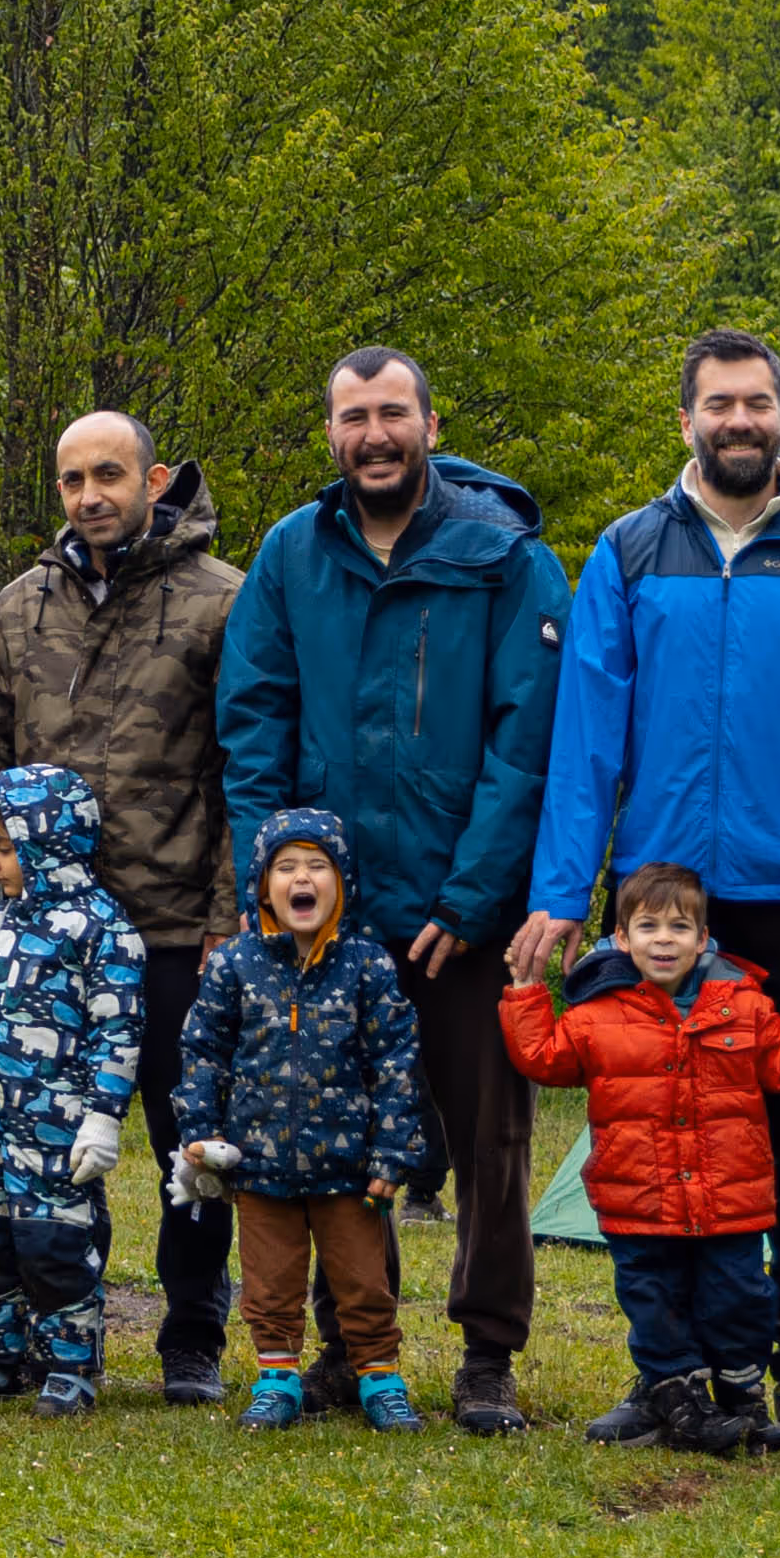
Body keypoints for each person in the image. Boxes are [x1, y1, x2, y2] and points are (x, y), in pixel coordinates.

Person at [510, 333, 780, 1458]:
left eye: (760, 402)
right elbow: (588, 739)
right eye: (720, 403)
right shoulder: (631, 551)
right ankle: (671, 1376)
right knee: (659, 1144)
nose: (741, 419)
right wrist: (560, 897)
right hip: (662, 905)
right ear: (685, 418)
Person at [213, 349, 567, 1434]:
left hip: (463, 917)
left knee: (486, 1140)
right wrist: (267, 882)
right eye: (354, 415)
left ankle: (488, 1350)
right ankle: (351, 1346)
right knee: (328, 1132)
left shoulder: (507, 555)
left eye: (393, 413)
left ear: (429, 421)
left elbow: (528, 740)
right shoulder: (291, 552)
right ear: (331, 430)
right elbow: (253, 722)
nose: (375, 433)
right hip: (327, 921)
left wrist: (471, 900)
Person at [0, 412, 245, 1404]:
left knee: (183, 1137)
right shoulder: (23, 605)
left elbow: (246, 770)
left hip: (168, 920)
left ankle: (192, 1334)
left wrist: (228, 918)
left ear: (154, 476)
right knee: (41, 1144)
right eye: (71, 477)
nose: (90, 495)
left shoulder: (222, 601)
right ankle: (46, 1333)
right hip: (35, 937)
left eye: (108, 473)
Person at [500, 863, 780, 1458]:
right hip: (639, 1200)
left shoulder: (743, 1005)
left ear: (704, 938)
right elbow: (543, 1058)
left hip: (730, 1202)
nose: (663, 939)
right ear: (620, 939)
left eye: (679, 927)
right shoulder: (597, 1014)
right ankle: (677, 1396)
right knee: (652, 1299)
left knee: (740, 1296)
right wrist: (525, 990)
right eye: (648, 926)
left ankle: (741, 1395)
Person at [172, 805, 438, 1435]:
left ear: (341, 881)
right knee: (269, 1286)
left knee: (363, 1284)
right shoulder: (233, 965)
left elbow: (397, 1061)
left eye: (318, 866)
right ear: (262, 885)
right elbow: (203, 1052)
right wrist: (200, 1132)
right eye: (286, 866)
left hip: (349, 1172)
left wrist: (392, 1153)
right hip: (259, 1167)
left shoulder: (368, 966)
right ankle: (277, 1379)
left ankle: (379, 1377)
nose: (302, 878)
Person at [0, 762, 143, 1417]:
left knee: (54, 1245)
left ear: (51, 845)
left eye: (5, 848)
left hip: (55, 1127)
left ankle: (69, 1364)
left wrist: (103, 1118)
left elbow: (118, 1029)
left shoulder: (100, 927)